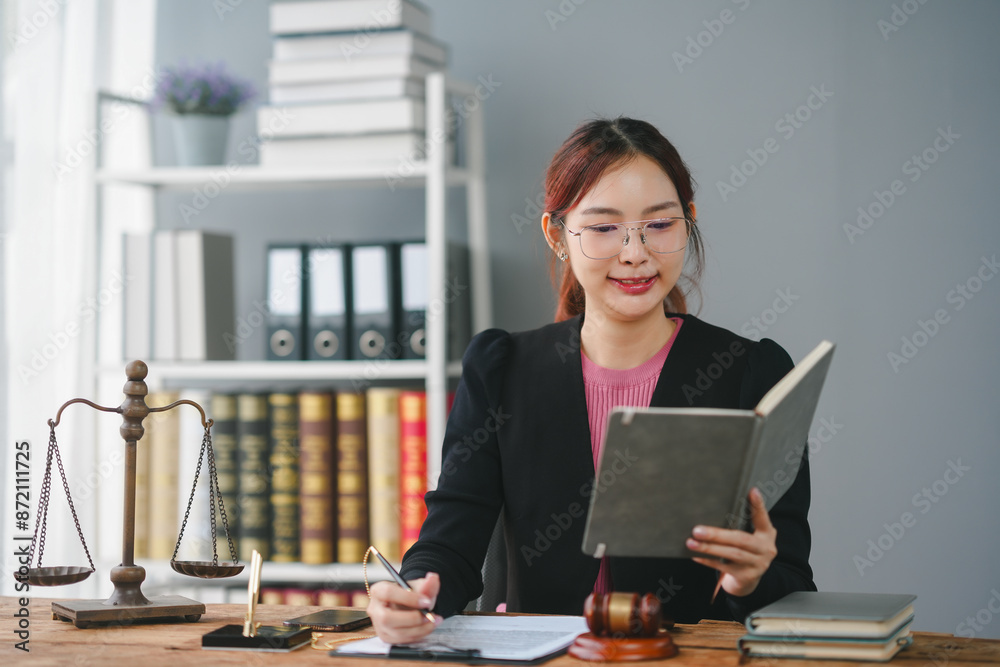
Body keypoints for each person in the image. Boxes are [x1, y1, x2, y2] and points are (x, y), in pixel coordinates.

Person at [367, 117, 816, 644]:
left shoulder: (752, 373)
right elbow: (451, 541)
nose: (634, 253)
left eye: (660, 224)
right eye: (604, 228)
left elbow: (792, 583)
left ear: (688, 223)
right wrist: (414, 594)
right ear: (557, 235)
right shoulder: (501, 368)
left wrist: (750, 577)